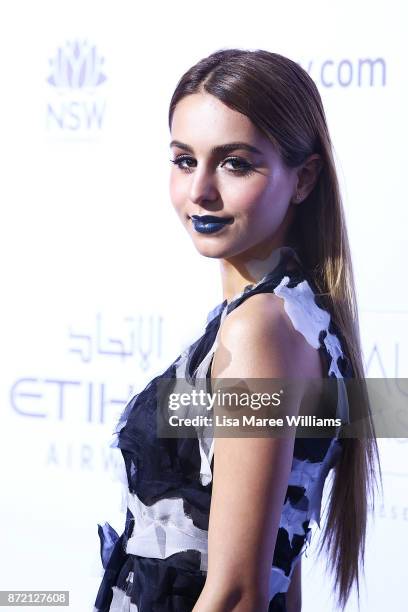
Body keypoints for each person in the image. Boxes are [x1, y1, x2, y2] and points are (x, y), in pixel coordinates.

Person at [93, 49, 381, 612]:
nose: (199, 190)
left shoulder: (261, 329)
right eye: (183, 160)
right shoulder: (288, 319)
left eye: (235, 163)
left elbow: (238, 594)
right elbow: (275, 577)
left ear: (304, 179)